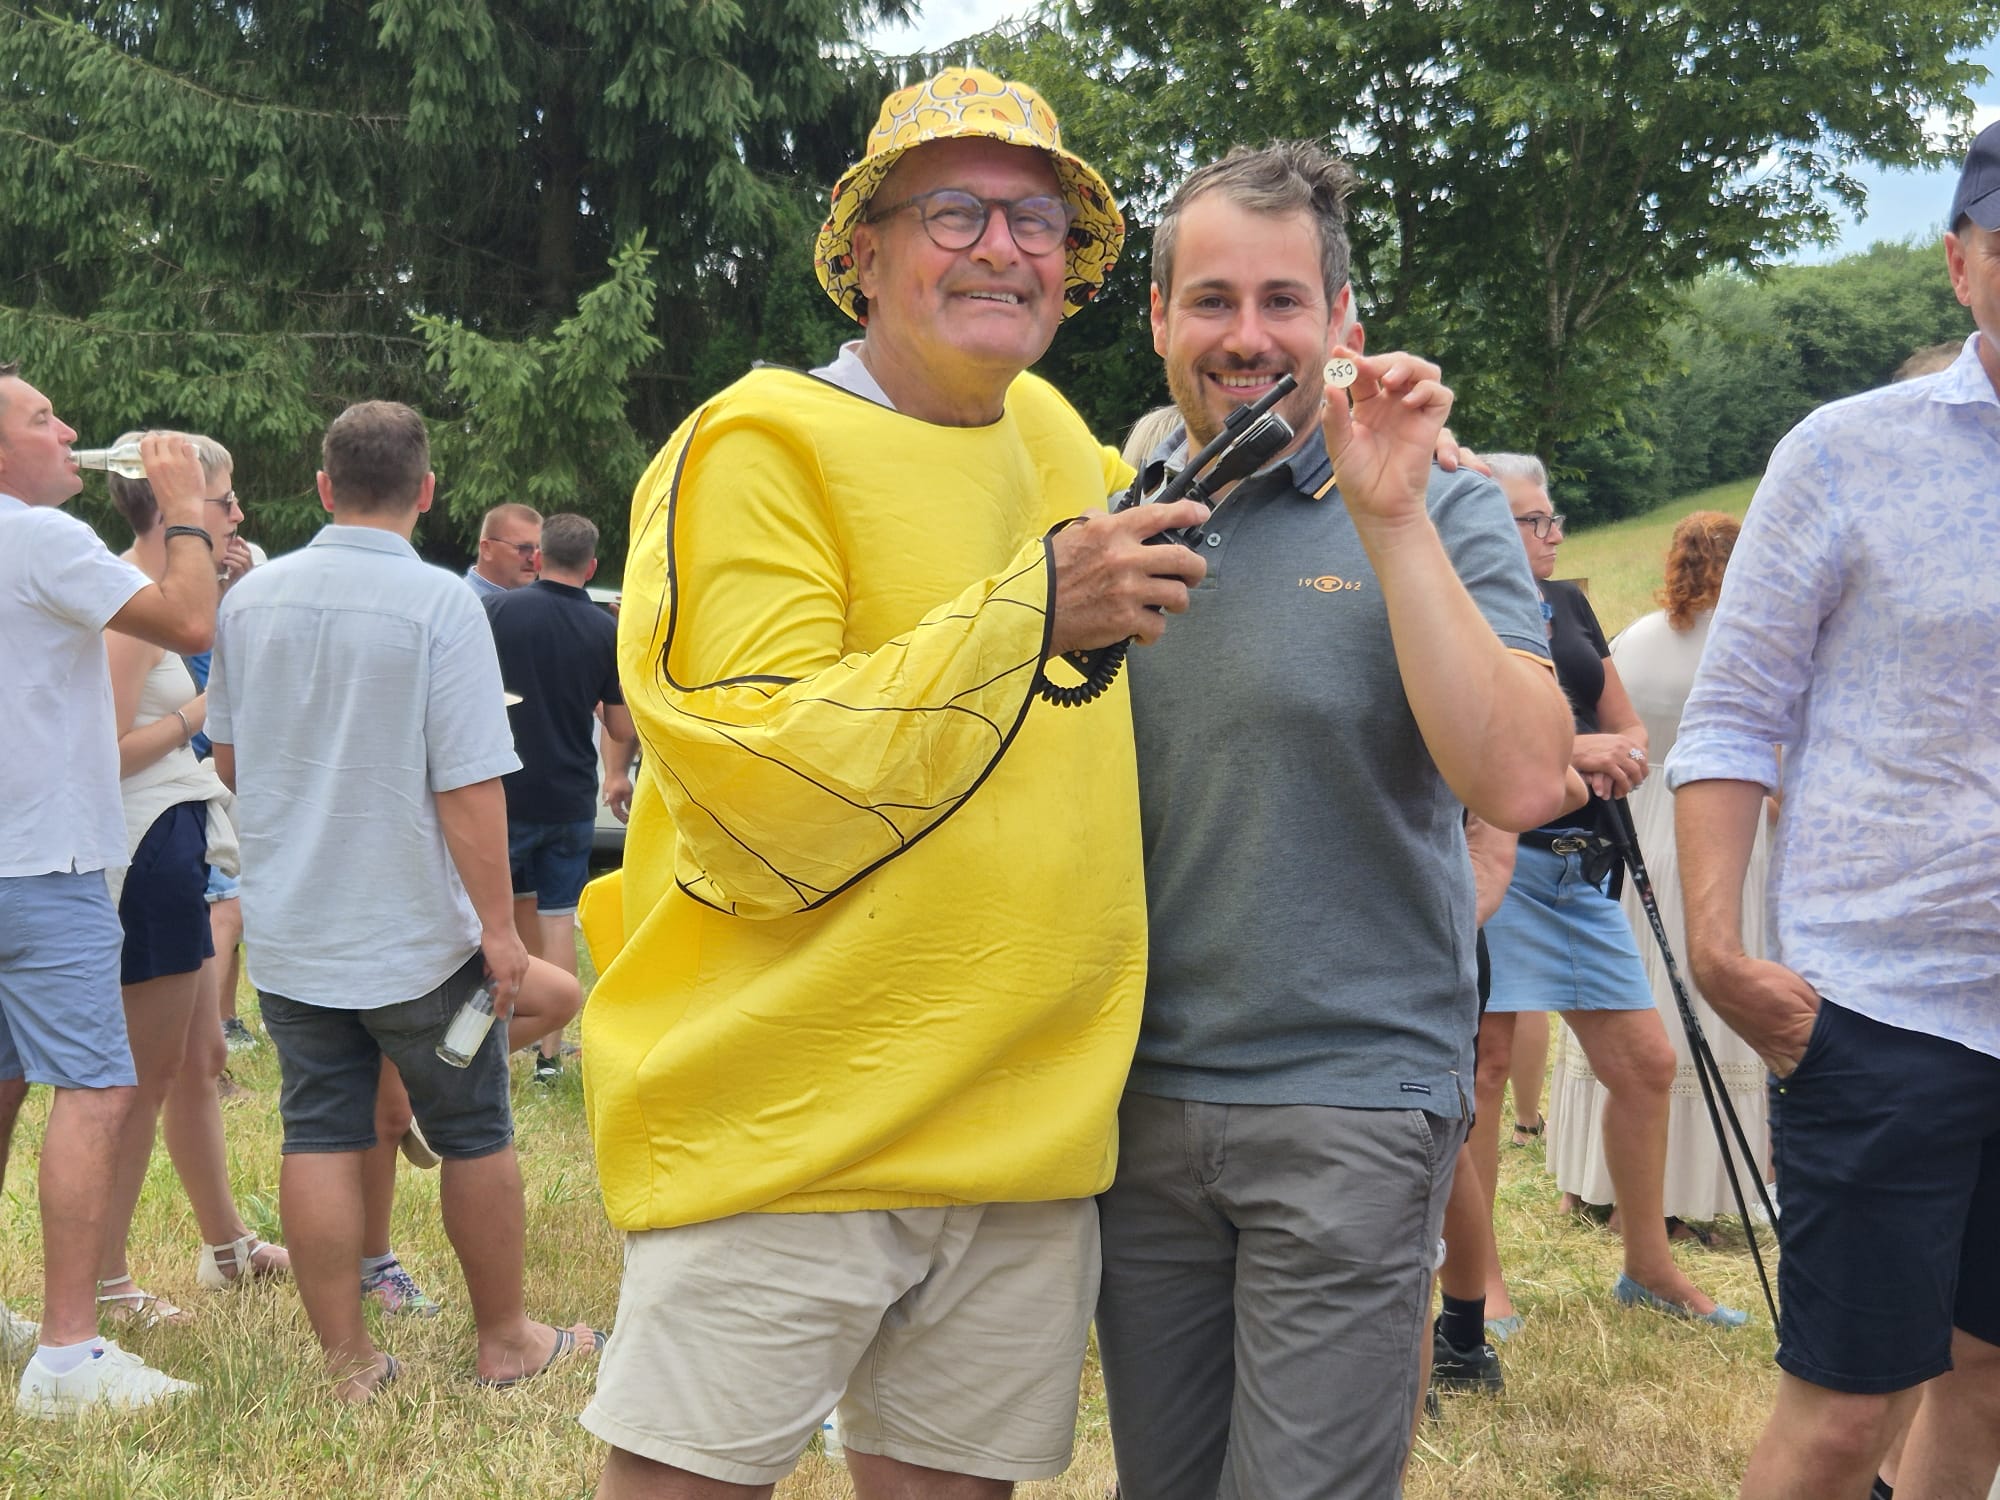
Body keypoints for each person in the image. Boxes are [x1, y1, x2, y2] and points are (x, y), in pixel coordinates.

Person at [579, 66, 1209, 1499]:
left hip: (1026, 1129)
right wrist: (1029, 611)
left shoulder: (1059, 442)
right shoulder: (758, 444)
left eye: (1038, 221)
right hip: (790, 1119)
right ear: (863, 254)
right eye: (955, 213)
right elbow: (754, 780)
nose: (1004, 248)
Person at [1095, 141, 1575, 1500]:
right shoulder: (1118, 513)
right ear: (1160, 318)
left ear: (1342, 322)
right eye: (1211, 299)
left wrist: (1392, 515)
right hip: (1136, 1100)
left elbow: (1523, 778)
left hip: (1349, 1094)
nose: (1246, 336)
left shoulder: (1443, 505)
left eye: (1282, 301)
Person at [1668, 125, 2000, 1500]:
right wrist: (1719, 954)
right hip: (1882, 1007)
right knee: (1844, 1418)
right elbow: (1731, 712)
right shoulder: (1846, 453)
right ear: (1961, 264)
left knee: (1987, 1382)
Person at [207, 399, 593, 1400]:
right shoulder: (440, 604)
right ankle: (506, 1341)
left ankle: (349, 1365)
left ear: (323, 487)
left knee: (318, 1135)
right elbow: (468, 785)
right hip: (416, 932)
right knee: (474, 1133)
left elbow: (234, 760)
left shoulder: (249, 600)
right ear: (426, 493)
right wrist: (500, 931)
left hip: (294, 927)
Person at [1471, 453, 1744, 1332]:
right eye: (1533, 520)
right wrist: (1571, 754)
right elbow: (1466, 737)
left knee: (1645, 1064)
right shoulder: (1459, 610)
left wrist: (1603, 752)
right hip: (1496, 861)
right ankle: (1478, 1286)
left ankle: (1648, 1268)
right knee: (1485, 1070)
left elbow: (1625, 724)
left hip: (1583, 868)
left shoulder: (1568, 605)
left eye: (1552, 517)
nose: (1553, 534)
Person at [1, 371, 214, 1414]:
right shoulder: (41, 538)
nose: (70, 430)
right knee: (94, 1091)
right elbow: (189, 619)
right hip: (45, 862)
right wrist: (183, 509)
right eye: (42, 419)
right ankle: (68, 1355)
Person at [95, 435, 291, 1325]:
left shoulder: (159, 594)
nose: (238, 515)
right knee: (140, 1081)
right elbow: (102, 752)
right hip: (147, 851)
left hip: (175, 841)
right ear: (173, 507)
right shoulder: (128, 602)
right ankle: (107, 1283)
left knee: (200, 1059)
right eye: (224, 500)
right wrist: (201, 715)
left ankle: (227, 1248)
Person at [1543, 510, 1772, 1225]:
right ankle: (1693, 1189)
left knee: (1628, 991)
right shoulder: (1748, 644)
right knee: (1703, 989)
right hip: (1723, 827)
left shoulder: (1635, 640)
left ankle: (1593, 1179)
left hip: (1637, 821)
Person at [483, 512, 633, 1084]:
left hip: (505, 791)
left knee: (493, 919)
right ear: (591, 567)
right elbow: (620, 727)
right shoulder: (603, 630)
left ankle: (489, 1040)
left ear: (539, 556)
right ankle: (550, 1057)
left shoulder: (498, 611)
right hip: (570, 796)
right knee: (555, 922)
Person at [465, 502, 541, 597]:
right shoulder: (460, 602)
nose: (533, 559)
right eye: (524, 548)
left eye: (540, 550)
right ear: (487, 549)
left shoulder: (541, 603)